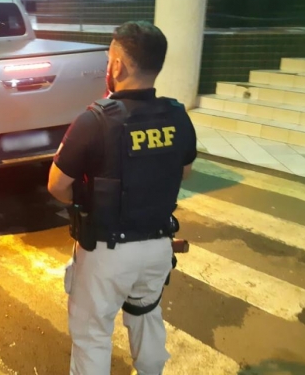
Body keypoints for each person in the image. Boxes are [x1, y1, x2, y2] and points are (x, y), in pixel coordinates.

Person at [47, 21, 197, 375]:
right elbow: (184, 171)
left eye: (108, 60)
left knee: (92, 335)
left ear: (117, 66)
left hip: (106, 253)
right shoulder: (178, 116)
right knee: (146, 317)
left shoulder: (94, 121)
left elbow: (56, 185)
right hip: (158, 246)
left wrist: (82, 203)